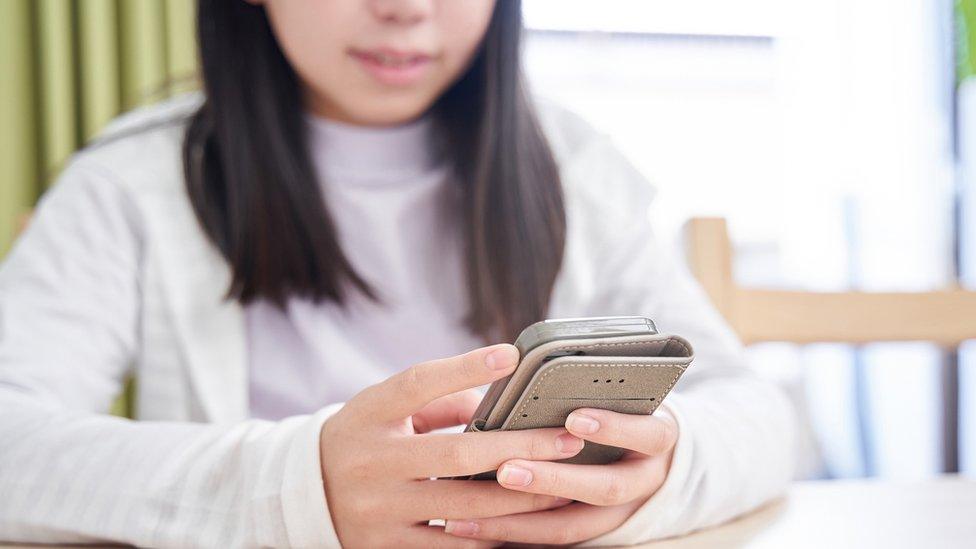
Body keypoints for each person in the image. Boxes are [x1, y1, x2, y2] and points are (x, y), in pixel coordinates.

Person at [0, 1, 796, 547]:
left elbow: (756, 411)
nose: (408, 7)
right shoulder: (131, 182)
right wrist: (290, 489)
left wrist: (658, 468)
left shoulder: (574, 164)